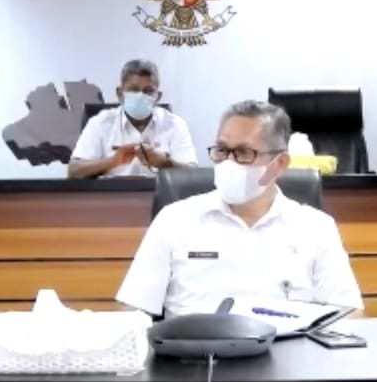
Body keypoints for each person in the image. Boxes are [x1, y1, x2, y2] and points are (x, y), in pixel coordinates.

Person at [115, 100, 363, 318]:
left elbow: (348, 312)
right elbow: (135, 310)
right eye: (222, 151)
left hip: (288, 353)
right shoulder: (174, 220)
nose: (229, 163)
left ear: (280, 164)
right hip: (192, 353)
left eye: (244, 153)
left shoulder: (316, 227)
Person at [68, 59, 198, 178]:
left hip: (162, 194)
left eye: (148, 91)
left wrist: (164, 163)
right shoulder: (100, 122)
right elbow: (73, 171)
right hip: (113, 194)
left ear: (158, 97)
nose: (140, 96)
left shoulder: (175, 124)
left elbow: (192, 174)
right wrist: (113, 161)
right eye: (134, 90)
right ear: (120, 94)